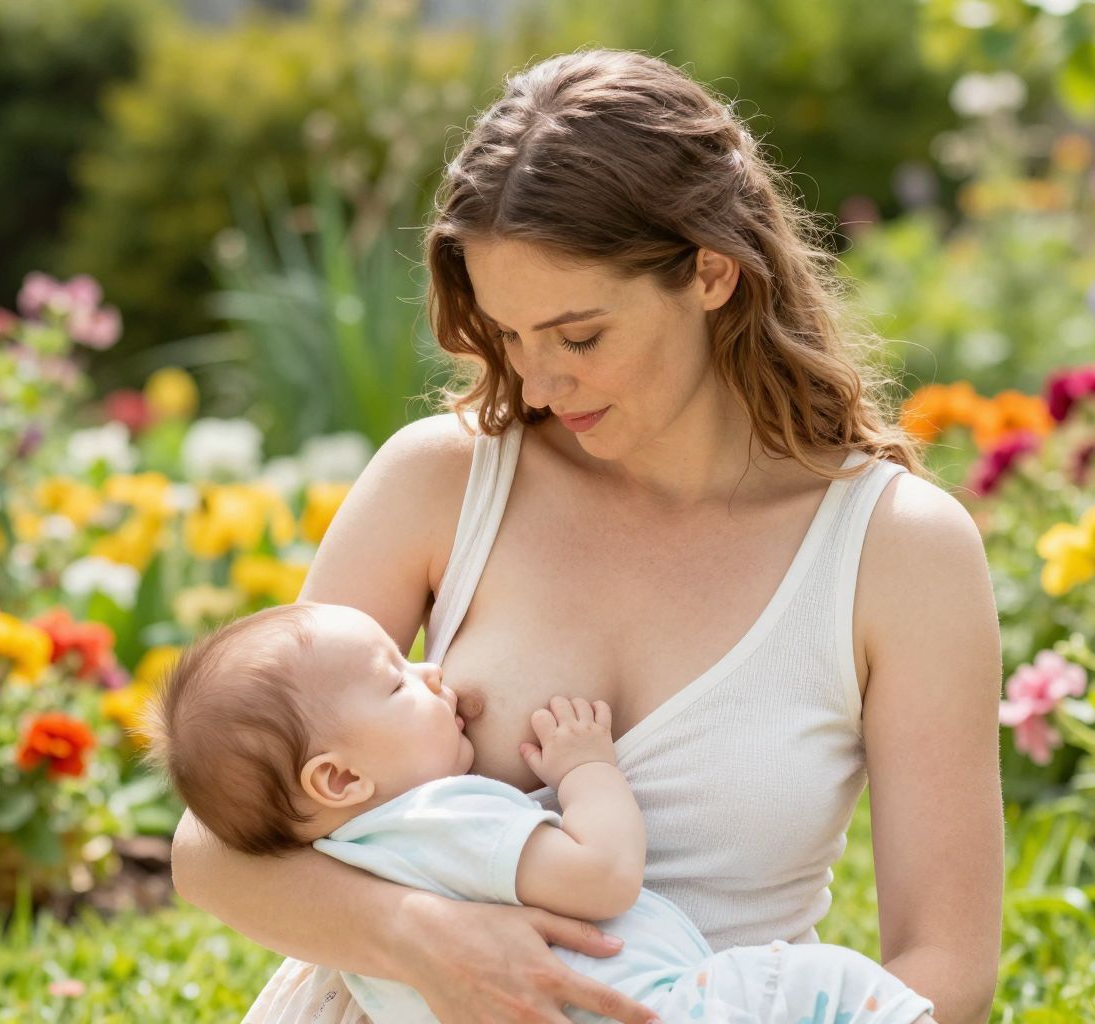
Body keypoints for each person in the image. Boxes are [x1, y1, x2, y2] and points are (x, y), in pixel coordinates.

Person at [171, 46, 1004, 1024]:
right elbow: (210, 851)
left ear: (711, 272)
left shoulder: (898, 552)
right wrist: (418, 938)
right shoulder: (445, 480)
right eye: (508, 335)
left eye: (579, 336)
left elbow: (948, 966)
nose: (537, 383)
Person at [149, 599, 940, 1024]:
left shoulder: (342, 861)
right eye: (396, 680)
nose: (432, 672)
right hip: (656, 1008)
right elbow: (602, 876)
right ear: (340, 778)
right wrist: (587, 770)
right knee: (824, 986)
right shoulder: (441, 820)